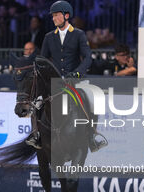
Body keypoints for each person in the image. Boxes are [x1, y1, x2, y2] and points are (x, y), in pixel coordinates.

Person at [26, 0, 107, 153]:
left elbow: (88, 57)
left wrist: (77, 73)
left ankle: (91, 137)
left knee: (90, 97)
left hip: (74, 79)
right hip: (54, 82)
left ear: (66, 15)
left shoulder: (78, 34)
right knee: (37, 100)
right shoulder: (49, 37)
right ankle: (36, 134)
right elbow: (43, 60)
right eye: (53, 16)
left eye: (56, 15)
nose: (53, 18)